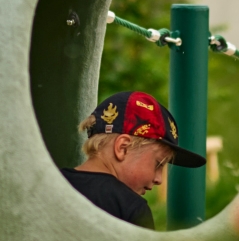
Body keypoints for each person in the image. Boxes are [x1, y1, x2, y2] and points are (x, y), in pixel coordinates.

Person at [62, 90, 206, 228]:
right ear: (122, 148)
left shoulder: (52, 183)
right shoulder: (132, 209)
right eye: (158, 164)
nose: (159, 179)